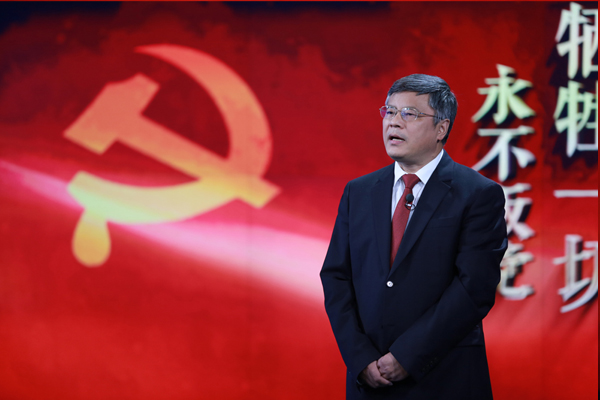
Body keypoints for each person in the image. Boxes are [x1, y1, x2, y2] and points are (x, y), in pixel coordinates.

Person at [320, 74, 508, 399]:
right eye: (390, 111)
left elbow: (474, 287)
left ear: (441, 128)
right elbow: (336, 277)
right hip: (369, 380)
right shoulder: (359, 192)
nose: (394, 122)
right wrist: (361, 359)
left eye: (409, 114)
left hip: (444, 378)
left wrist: (407, 357)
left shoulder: (477, 194)